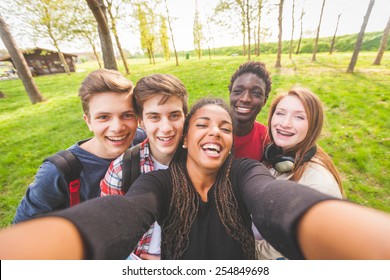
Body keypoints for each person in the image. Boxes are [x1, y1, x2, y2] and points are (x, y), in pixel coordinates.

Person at [2, 98, 390, 260]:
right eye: (202, 124)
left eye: (224, 128)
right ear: (185, 138)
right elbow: (122, 213)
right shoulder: (159, 183)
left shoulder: (243, 172)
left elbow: (276, 200)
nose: (215, 132)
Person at [12, 69, 146, 224]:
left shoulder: (141, 139)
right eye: (103, 117)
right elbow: (22, 227)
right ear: (88, 121)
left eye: (127, 115)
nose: (117, 127)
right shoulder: (58, 172)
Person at [100, 73, 188, 260]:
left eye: (174, 115)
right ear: (141, 122)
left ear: (185, 117)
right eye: (154, 117)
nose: (166, 128)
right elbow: (109, 236)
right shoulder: (121, 170)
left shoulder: (201, 164)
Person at [256, 87, 347, 259]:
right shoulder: (276, 156)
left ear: (312, 126)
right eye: (280, 113)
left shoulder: (318, 184)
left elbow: (274, 255)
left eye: (299, 117)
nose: (285, 123)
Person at [228, 61, 272, 161]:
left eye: (256, 93)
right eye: (238, 91)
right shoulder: (212, 131)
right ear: (230, 95)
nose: (245, 99)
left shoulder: (266, 138)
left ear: (264, 101)